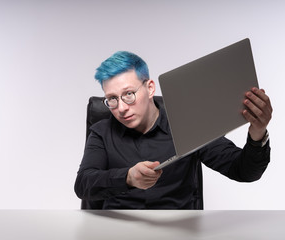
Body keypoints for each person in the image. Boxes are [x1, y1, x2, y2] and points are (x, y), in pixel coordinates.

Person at [74, 51, 272, 209]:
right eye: (112, 99)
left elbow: (244, 171)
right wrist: (128, 178)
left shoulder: (187, 122)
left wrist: (258, 131)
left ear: (150, 88)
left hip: (178, 231)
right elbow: (83, 184)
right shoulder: (101, 131)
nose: (122, 107)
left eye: (128, 94)